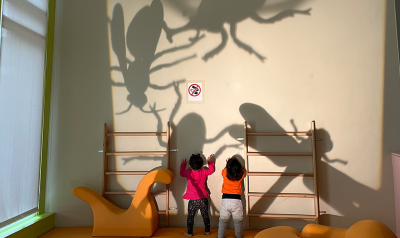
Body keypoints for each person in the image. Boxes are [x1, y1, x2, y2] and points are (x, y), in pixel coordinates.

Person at [180, 153, 216, 237]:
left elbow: (181, 173)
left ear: (190, 166)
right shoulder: (203, 171)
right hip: (203, 199)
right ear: (202, 164)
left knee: (190, 217)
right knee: (205, 216)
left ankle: (190, 233)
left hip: (192, 200)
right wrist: (210, 162)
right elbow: (211, 171)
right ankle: (207, 231)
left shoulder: (188, 173)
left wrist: (183, 164)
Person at [217, 156, 247, 238]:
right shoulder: (241, 175)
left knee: (223, 220)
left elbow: (224, 169)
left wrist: (228, 163)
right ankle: (239, 236)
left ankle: (220, 236)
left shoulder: (225, 173)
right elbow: (244, 170)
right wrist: (238, 166)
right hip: (236, 201)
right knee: (238, 221)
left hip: (225, 200)